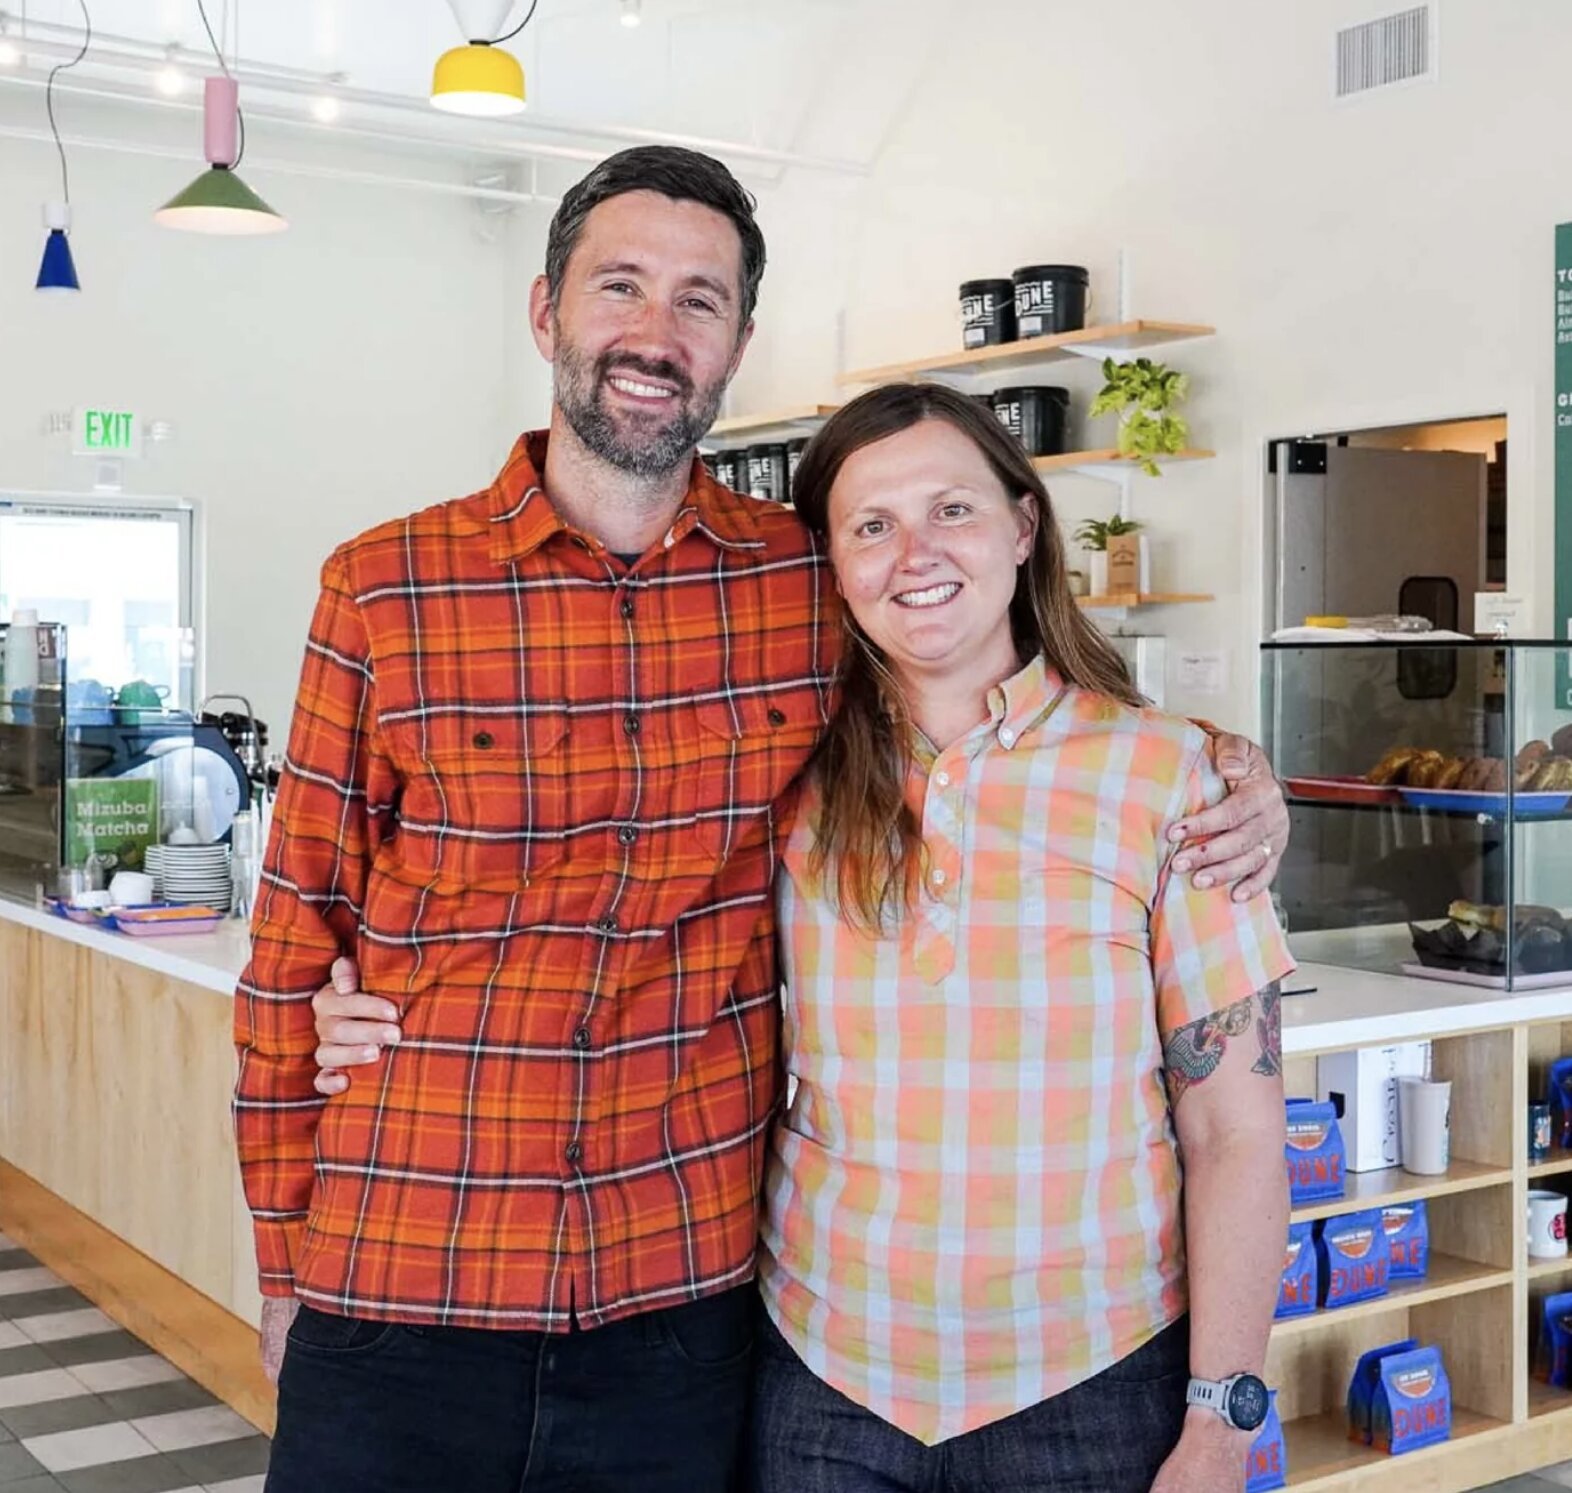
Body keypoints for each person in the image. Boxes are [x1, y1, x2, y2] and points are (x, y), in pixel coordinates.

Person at [242, 145, 1288, 1493]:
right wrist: (281, 1259)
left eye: (701, 299)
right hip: (409, 1268)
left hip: (686, 1307)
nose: (656, 330)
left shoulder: (792, 585)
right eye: (621, 285)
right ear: (545, 307)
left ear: (739, 339)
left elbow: (997, 689)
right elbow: (289, 947)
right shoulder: (384, 588)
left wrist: (1232, 768)